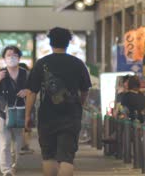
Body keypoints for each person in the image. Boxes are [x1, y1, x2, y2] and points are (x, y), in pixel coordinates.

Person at [25, 27, 91, 176]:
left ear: (50, 43)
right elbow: (85, 90)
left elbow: (31, 92)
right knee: (67, 158)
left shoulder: (41, 63)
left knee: (49, 157)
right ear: (68, 43)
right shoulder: (78, 63)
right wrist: (80, 104)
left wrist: (27, 115)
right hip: (71, 116)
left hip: (47, 117)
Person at [0, 46, 29, 176]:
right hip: (2, 112)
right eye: (8, 55)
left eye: (14, 55)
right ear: (4, 58)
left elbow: (34, 90)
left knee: (17, 143)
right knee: (5, 142)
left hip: (18, 111)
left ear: (19, 57)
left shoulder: (25, 73)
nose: (11, 57)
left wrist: (27, 91)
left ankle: (14, 166)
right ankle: (6, 170)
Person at [18, 62, 34, 155]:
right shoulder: (29, 79)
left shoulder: (16, 79)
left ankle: (20, 146)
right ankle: (25, 146)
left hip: (17, 107)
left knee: (20, 127)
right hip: (28, 105)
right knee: (27, 127)